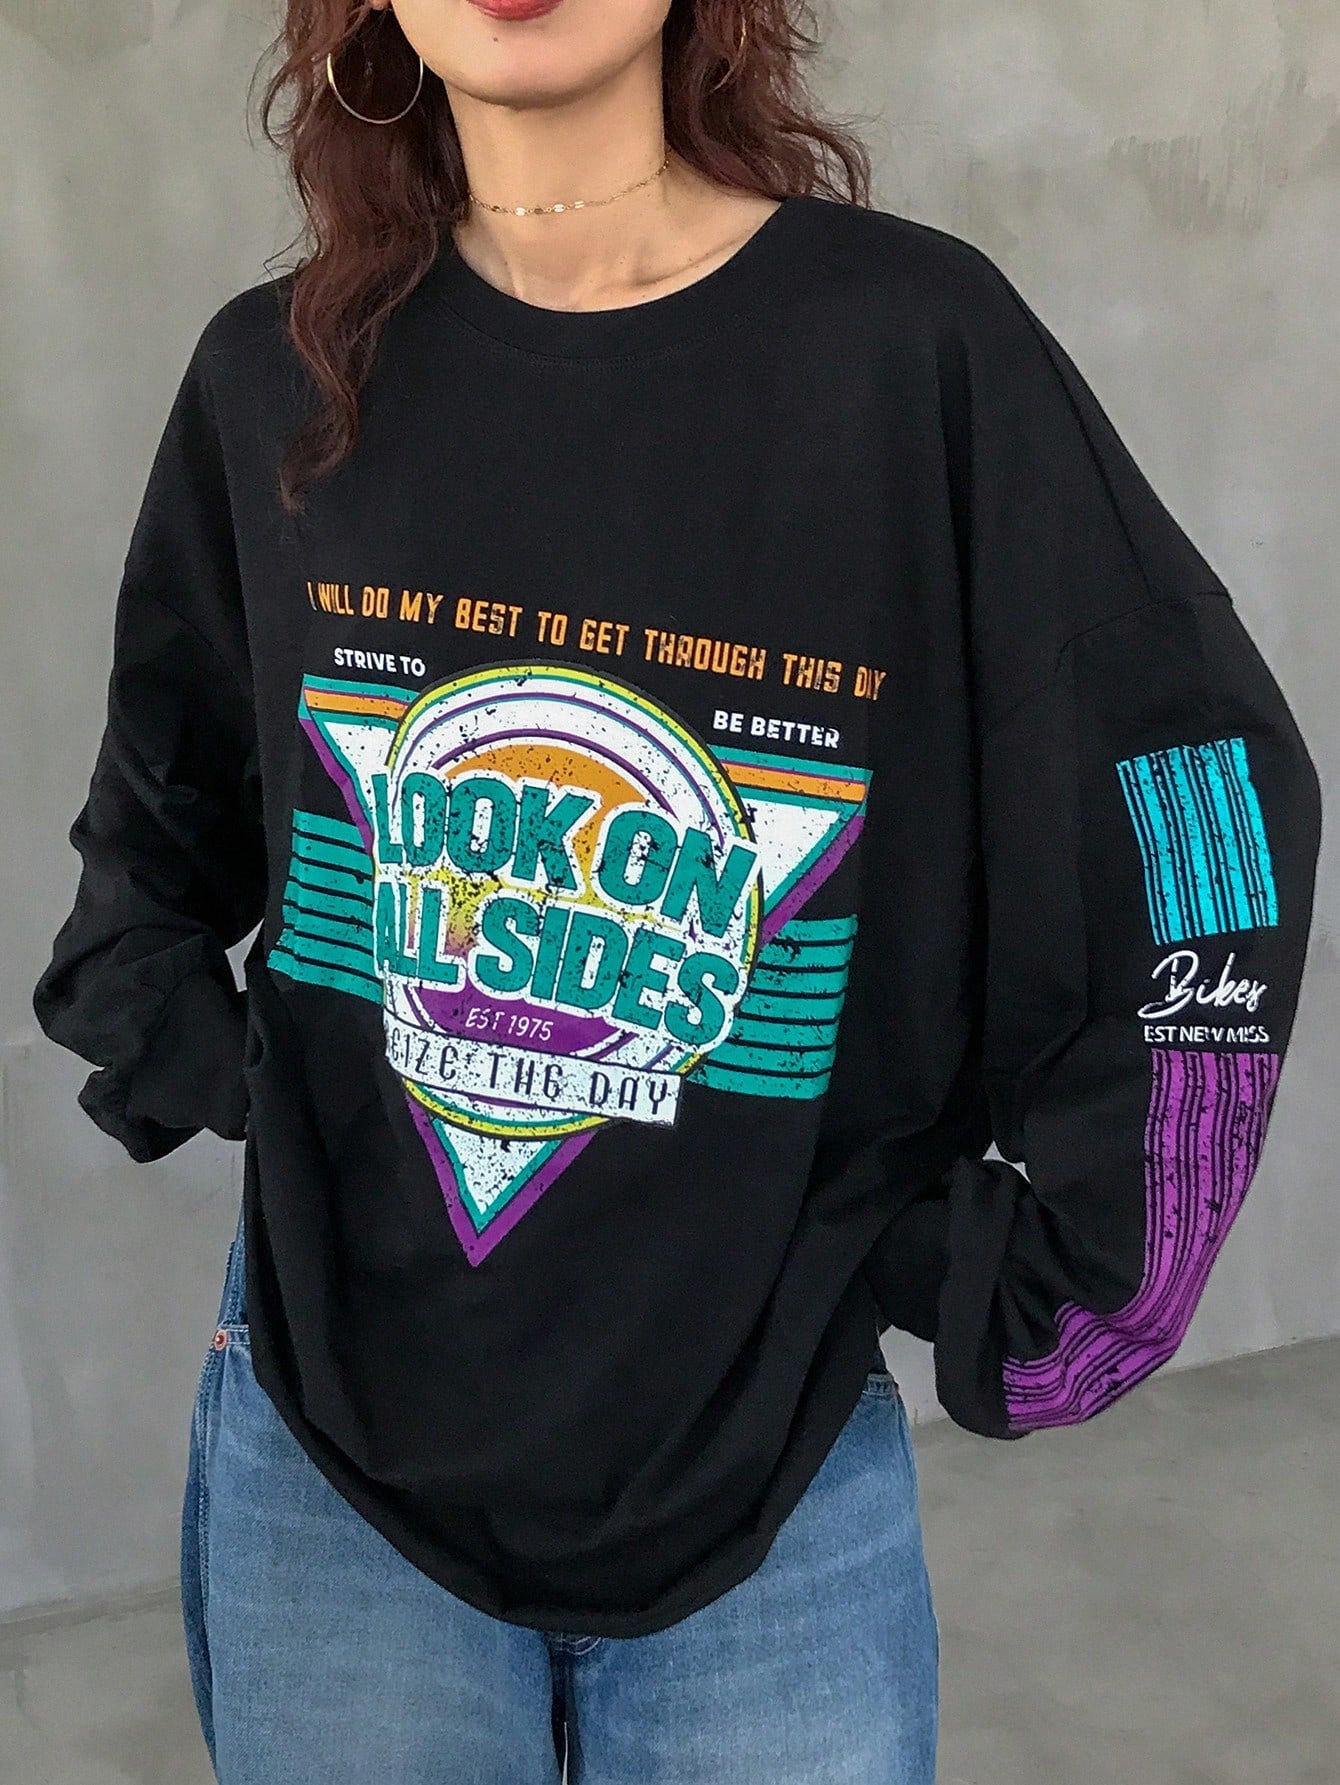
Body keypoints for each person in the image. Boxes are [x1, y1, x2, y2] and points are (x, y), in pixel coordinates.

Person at [30, 2, 1322, 1781]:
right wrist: (247, 1067)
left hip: (767, 1480)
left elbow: (1196, 792)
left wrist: (1059, 1271)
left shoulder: (909, 347)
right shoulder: (280, 373)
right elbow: (153, 834)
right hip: (331, 1465)